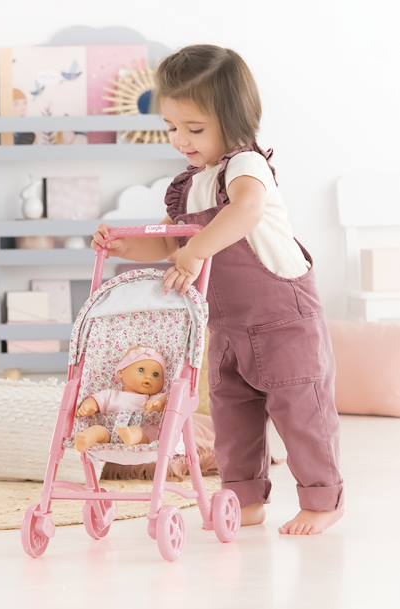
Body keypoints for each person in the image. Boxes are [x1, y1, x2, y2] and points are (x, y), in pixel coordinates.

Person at [92, 45, 344, 535]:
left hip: (283, 319)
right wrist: (123, 245)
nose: (180, 140)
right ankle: (243, 498)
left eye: (195, 129)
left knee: (300, 411)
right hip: (226, 325)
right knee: (233, 416)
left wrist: (198, 250)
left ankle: (322, 498)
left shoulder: (245, 167)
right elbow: (168, 242)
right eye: (172, 127)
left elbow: (244, 211)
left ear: (233, 121)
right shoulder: (188, 186)